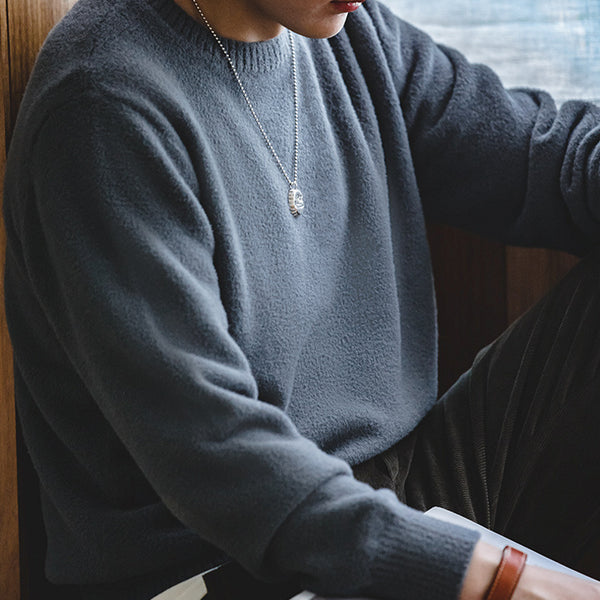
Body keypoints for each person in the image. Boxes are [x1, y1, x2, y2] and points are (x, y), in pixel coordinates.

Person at [3, 0, 600, 598]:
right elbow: (222, 461)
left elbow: (548, 157)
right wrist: (500, 578)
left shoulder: (344, 31)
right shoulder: (102, 109)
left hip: (396, 489)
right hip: (222, 565)